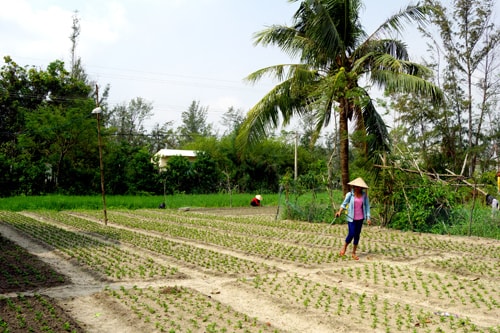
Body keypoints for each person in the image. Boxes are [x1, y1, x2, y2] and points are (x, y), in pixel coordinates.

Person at [335, 177, 371, 260]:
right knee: (351, 233)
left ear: (361, 188)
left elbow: (367, 207)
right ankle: (344, 247)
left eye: (358, 187)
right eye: (355, 186)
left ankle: (354, 253)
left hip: (360, 218)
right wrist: (339, 212)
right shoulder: (349, 195)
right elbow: (343, 204)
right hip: (351, 218)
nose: (356, 188)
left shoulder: (364, 196)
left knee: (357, 235)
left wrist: (368, 217)